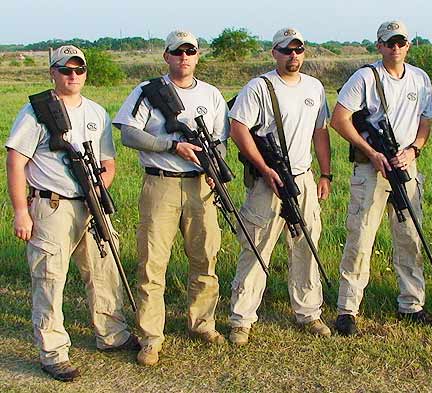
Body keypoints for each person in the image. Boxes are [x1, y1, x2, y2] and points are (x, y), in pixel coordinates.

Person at [5, 45, 139, 382]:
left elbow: (108, 163)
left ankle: (112, 334)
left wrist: (99, 187)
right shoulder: (37, 112)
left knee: (104, 268)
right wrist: (21, 211)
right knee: (50, 278)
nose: (73, 76)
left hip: (91, 203)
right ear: (53, 73)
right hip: (51, 206)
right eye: (66, 70)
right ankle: (52, 351)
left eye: (79, 70)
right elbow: (16, 161)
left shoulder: (96, 112)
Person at [113, 30, 230, 365]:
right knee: (152, 263)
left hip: (200, 186)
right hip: (160, 184)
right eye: (177, 52)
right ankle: (150, 337)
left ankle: (202, 323)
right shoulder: (148, 92)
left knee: (206, 257)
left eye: (190, 51)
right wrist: (172, 146)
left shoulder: (210, 94)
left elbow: (220, 138)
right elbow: (129, 134)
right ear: (166, 56)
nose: (183, 58)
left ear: (197, 56)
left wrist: (213, 164)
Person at [227, 27, 332, 346]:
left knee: (306, 245)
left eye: (298, 50)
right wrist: (263, 168)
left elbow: (320, 132)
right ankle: (241, 318)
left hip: (303, 177)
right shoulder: (258, 87)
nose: (293, 56)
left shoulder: (314, 87)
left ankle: (309, 312)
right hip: (266, 181)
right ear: (274, 53)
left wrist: (325, 175)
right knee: (256, 246)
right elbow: (238, 128)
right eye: (286, 50)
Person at [330, 20, 432, 336]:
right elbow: (340, 119)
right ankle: (347, 310)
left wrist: (414, 149)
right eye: (390, 43)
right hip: (371, 169)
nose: (396, 48)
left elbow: (426, 120)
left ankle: (412, 304)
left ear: (408, 45)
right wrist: (370, 151)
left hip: (405, 166)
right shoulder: (365, 77)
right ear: (379, 46)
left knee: (410, 236)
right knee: (361, 237)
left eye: (401, 42)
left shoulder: (420, 79)